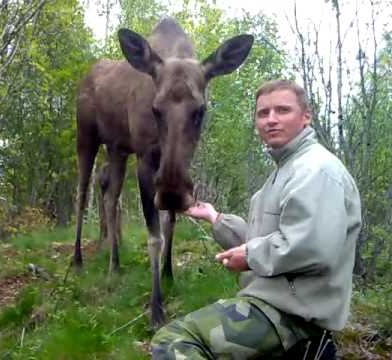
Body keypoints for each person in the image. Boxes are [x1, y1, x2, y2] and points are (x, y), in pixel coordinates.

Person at [151, 80, 362, 359]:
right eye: (263, 113)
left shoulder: (315, 170)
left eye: (282, 110)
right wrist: (216, 218)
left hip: (291, 316)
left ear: (306, 116)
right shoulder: (286, 170)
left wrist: (249, 256)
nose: (271, 120)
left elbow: (311, 247)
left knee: (173, 340)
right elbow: (267, 239)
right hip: (275, 306)